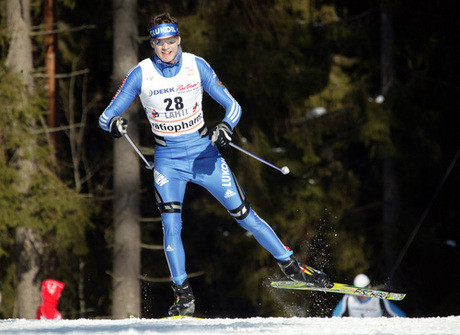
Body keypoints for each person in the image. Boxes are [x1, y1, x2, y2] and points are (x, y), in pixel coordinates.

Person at [99, 12, 331, 316]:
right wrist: (114, 124)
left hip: (204, 155)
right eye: (159, 42)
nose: (166, 47)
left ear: (178, 39)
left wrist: (225, 127)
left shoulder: (197, 65)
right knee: (171, 224)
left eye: (170, 40)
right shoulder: (141, 73)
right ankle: (183, 295)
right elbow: (105, 117)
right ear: (152, 43)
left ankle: (290, 266)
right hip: (168, 161)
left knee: (243, 214)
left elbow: (233, 105)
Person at [332, 274, 406, 317]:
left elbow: (400, 315)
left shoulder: (379, 299)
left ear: (369, 287)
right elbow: (335, 316)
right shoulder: (349, 298)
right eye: (358, 290)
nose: (361, 294)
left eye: (364, 290)